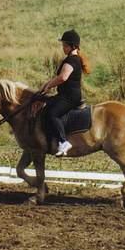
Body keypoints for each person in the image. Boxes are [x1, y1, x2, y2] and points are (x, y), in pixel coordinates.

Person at [39, 29, 91, 157]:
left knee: (53, 114)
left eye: (65, 45)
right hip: (65, 95)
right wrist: (46, 85)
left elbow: (63, 77)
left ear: (72, 46)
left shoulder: (72, 60)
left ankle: (63, 142)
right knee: (47, 107)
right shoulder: (72, 59)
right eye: (63, 45)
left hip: (69, 97)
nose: (63, 48)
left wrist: (49, 85)